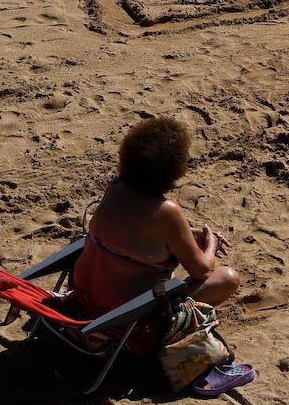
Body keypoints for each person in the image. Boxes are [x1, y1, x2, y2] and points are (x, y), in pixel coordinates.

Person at [71, 117, 240, 317]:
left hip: (81, 296)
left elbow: (135, 229)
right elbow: (201, 270)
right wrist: (211, 243)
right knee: (228, 278)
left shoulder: (115, 188)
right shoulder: (167, 212)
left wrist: (187, 232)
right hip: (121, 315)